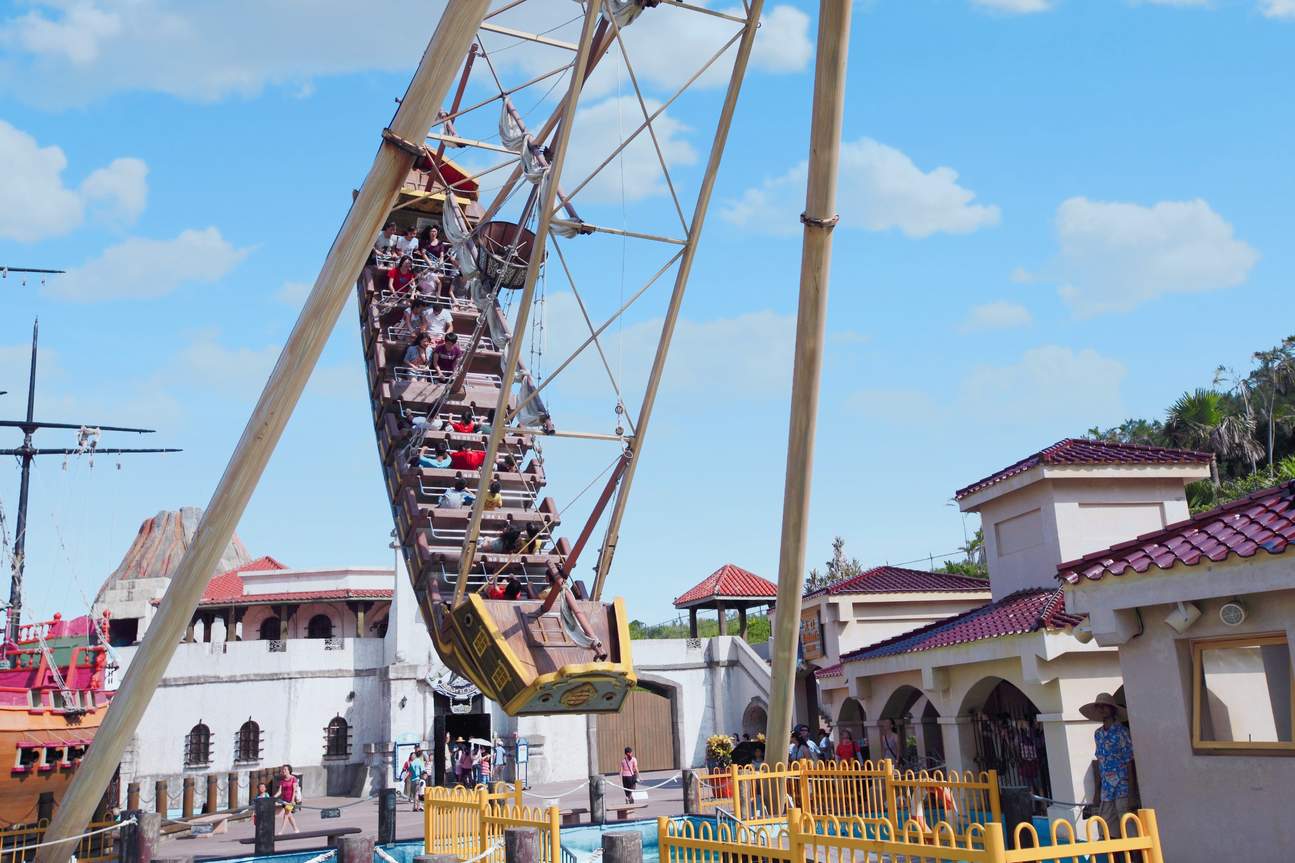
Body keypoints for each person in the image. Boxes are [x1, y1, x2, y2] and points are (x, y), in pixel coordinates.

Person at [1081, 692, 1134, 827]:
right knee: (1107, 826)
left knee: (1127, 824)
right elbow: (1100, 763)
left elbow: (1129, 761)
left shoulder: (1122, 732)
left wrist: (1132, 792)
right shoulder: (1098, 734)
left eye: (1104, 706)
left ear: (1112, 709)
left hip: (1122, 786)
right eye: (1099, 706)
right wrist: (1096, 792)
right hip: (1106, 788)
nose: (1101, 709)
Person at [275, 764, 300, 834]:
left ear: (289, 770)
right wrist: (273, 797)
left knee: (286, 814)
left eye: (285, 769)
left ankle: (281, 831)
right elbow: (279, 791)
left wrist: (292, 800)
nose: (283, 771)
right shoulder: (282, 781)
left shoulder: (293, 778)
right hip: (284, 800)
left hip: (291, 800)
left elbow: (294, 790)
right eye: (283, 769)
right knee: (289, 815)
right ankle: (296, 829)